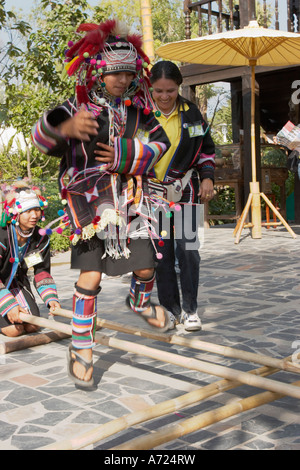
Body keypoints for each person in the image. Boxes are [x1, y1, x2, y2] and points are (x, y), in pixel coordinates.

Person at [31, 19, 172, 388]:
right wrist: (63, 130)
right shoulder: (73, 108)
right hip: (91, 207)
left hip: (130, 201)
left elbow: (160, 144)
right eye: (114, 74)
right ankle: (81, 347)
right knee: (89, 277)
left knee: (145, 270)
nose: (122, 81)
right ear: (97, 72)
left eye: (127, 74)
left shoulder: (138, 111)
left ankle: (140, 302)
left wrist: (127, 154)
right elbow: (40, 136)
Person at [149, 60, 215, 332]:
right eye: (158, 91)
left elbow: (206, 150)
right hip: (153, 197)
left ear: (179, 87)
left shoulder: (192, 114)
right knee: (161, 254)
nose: (165, 97)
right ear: (150, 88)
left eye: (171, 91)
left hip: (185, 192)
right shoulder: (140, 114)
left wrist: (208, 176)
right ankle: (170, 309)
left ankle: (190, 310)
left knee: (188, 251)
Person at [0, 181, 60, 337]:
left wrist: (50, 298)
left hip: (16, 284)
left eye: (37, 210)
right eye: (28, 211)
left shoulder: (40, 238)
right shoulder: (2, 235)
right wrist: (8, 304)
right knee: (14, 330)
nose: (34, 215)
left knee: (33, 325)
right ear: (16, 214)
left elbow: (41, 271)